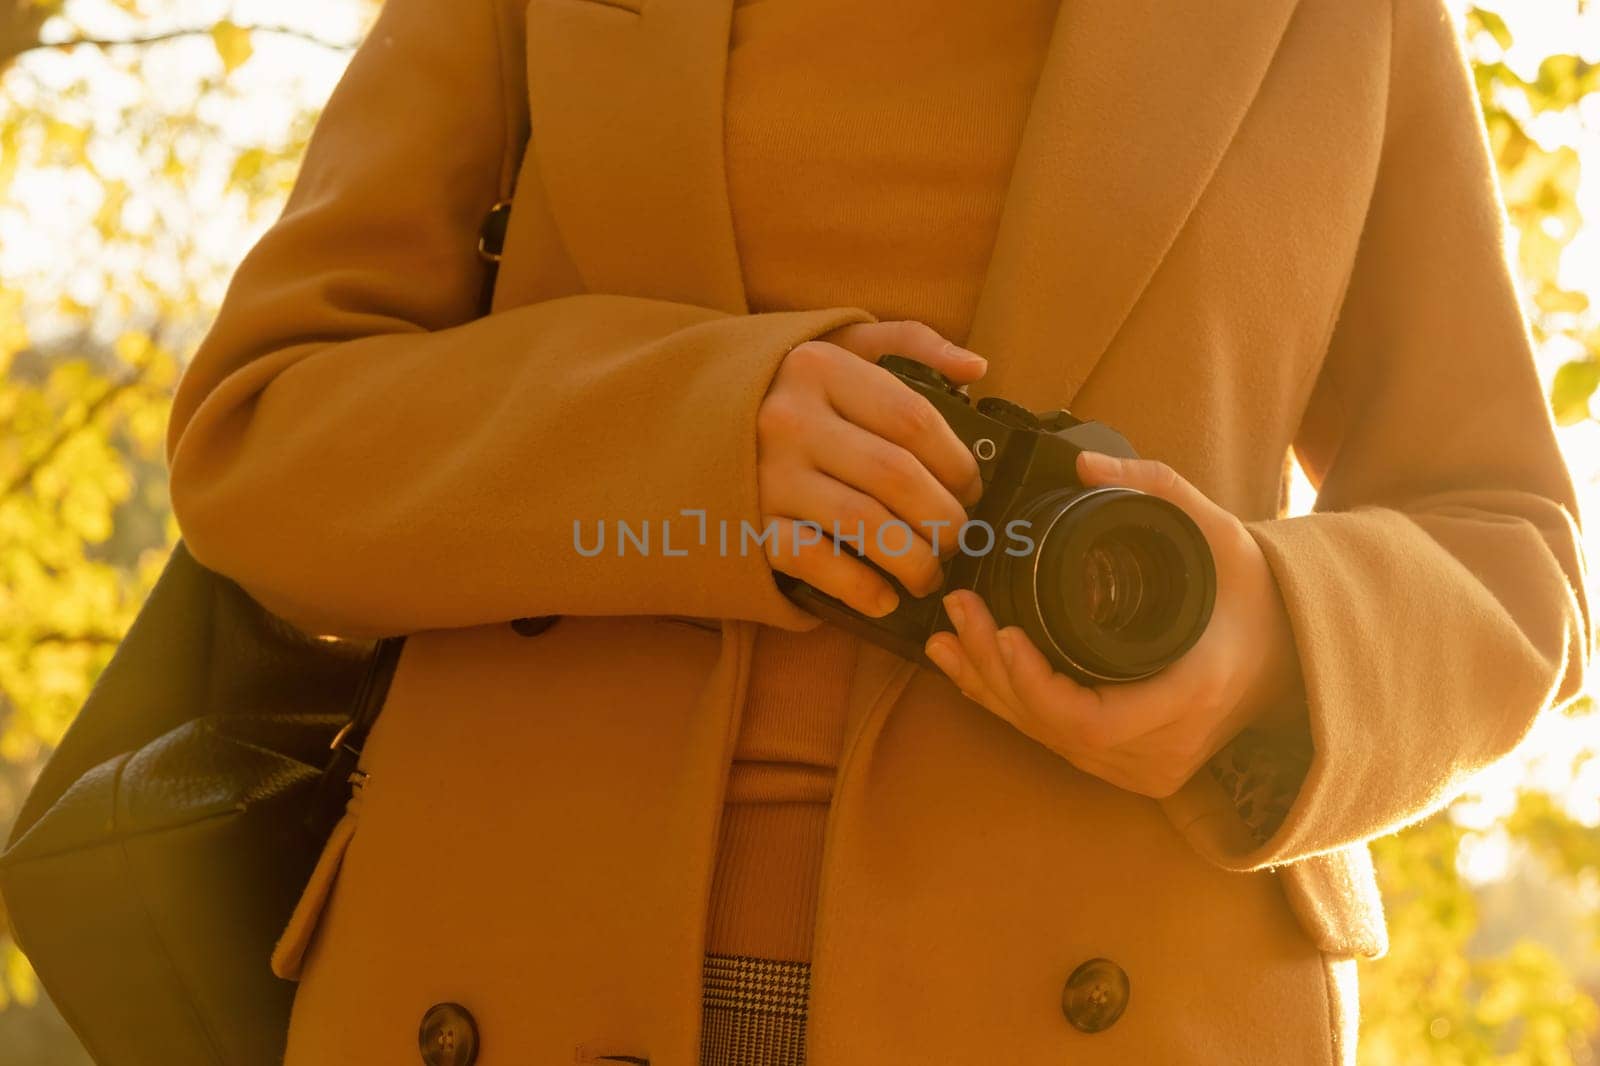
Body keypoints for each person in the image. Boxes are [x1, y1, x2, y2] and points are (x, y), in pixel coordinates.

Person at [162, 0, 1593, 1062]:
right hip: (496, 973)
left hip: (1127, 1002)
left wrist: (1268, 648)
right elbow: (262, 434)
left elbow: (1519, 552)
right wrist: (686, 446)